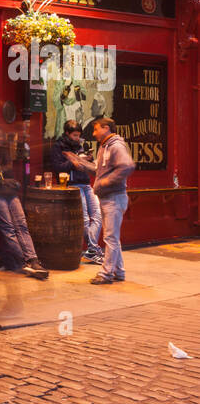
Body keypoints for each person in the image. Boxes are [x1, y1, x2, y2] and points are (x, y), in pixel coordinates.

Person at [72, 117, 135, 285]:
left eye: (96, 129)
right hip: (109, 198)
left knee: (110, 238)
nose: (93, 133)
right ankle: (119, 272)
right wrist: (81, 163)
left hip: (114, 197)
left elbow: (127, 166)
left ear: (106, 128)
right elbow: (98, 170)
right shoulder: (104, 147)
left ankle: (106, 274)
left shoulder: (115, 146)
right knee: (112, 238)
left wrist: (107, 181)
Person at [0, 128, 48, 280]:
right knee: (9, 228)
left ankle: (33, 260)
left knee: (22, 224)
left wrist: (3, 180)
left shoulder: (4, 154)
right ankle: (23, 261)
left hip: (9, 193)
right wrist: (1, 180)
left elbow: (8, 177)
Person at [50, 122, 103, 262]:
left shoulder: (80, 145)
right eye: (75, 135)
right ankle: (93, 249)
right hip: (72, 185)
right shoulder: (58, 147)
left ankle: (92, 249)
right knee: (84, 219)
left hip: (86, 183)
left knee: (98, 214)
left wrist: (87, 160)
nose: (77, 138)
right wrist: (73, 163)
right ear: (67, 133)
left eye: (79, 135)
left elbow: (84, 165)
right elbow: (57, 167)